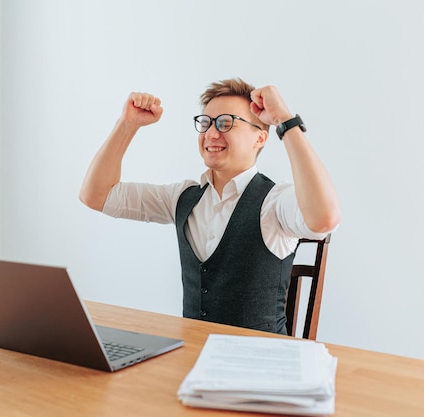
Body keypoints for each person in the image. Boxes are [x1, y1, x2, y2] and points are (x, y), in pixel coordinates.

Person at [79, 78, 340, 335]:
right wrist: (127, 125)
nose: (211, 133)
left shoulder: (274, 201)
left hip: (261, 367)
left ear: (260, 138)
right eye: (206, 123)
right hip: (191, 362)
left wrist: (285, 120)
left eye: (226, 123)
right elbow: (96, 195)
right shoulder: (181, 198)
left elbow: (324, 219)